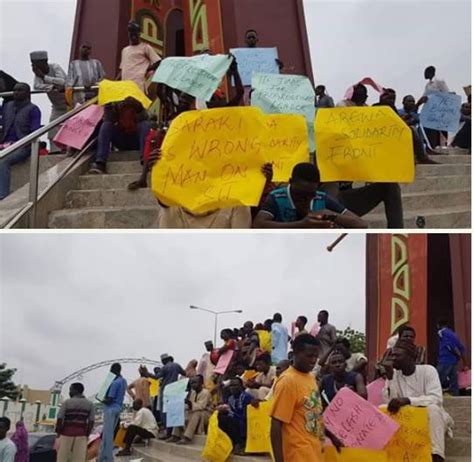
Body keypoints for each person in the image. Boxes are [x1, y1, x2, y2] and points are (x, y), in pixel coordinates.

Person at [332, 83, 404, 228]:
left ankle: (396, 229)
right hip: (327, 203)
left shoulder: (367, 143)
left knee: (390, 186)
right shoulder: (330, 138)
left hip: (346, 202)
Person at [270, 334, 342, 462]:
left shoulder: (310, 378)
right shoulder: (288, 382)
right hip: (297, 455)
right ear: (295, 354)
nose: (313, 360)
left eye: (316, 356)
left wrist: (332, 437)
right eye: (309, 355)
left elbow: (314, 415)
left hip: (314, 453)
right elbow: (276, 425)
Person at [383, 339, 454, 462]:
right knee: (382, 409)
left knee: (433, 409)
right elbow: (391, 403)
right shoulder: (394, 374)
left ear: (410, 356)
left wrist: (408, 400)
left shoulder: (428, 370)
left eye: (397, 355)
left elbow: (436, 398)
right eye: (392, 355)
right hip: (407, 422)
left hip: (430, 420)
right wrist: (390, 377)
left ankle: (437, 455)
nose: (393, 358)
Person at [254, 163, 367, 229]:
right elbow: (258, 224)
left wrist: (332, 215)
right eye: (299, 194)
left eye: (310, 195)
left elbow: (361, 225)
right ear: (290, 182)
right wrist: (301, 225)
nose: (305, 199)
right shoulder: (277, 197)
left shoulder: (321, 199)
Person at [0, 83, 42, 199]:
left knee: (3, 161)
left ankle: (2, 196)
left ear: (28, 93)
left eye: (20, 90)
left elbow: (35, 132)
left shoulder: (33, 109)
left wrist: (23, 144)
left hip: (23, 146)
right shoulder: (7, 106)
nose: (16, 92)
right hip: (4, 144)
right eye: (14, 90)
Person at [88, 97, 151, 174]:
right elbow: (108, 120)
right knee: (106, 126)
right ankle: (100, 163)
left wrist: (138, 108)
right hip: (121, 138)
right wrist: (113, 107)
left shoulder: (137, 101)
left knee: (145, 125)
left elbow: (146, 118)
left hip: (137, 139)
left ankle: (145, 161)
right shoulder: (112, 104)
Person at [30, 50, 67, 151]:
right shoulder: (37, 74)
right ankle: (55, 151)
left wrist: (44, 77)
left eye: (36, 64)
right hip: (57, 107)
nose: (34, 68)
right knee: (52, 129)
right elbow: (36, 86)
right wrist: (52, 86)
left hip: (71, 104)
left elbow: (62, 81)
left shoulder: (54, 67)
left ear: (44, 62)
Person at [218, 377, 259, 455]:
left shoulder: (247, 397)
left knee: (228, 420)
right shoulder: (230, 398)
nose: (233, 388)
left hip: (246, 422)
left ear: (241, 386)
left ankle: (240, 444)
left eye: (235, 385)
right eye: (231, 386)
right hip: (235, 421)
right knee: (221, 418)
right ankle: (234, 443)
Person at [56, 382, 95, 462]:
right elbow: (91, 421)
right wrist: (87, 433)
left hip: (66, 434)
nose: (69, 392)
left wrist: (58, 432)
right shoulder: (90, 404)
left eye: (71, 389)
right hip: (81, 435)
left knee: (62, 458)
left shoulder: (67, 402)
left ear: (75, 391)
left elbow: (60, 418)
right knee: (79, 459)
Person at [118, 21, 161, 93]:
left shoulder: (145, 47)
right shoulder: (125, 50)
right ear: (128, 35)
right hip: (125, 86)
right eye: (131, 34)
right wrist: (114, 81)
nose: (133, 36)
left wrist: (145, 69)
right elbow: (123, 68)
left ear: (139, 34)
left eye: (135, 34)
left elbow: (158, 62)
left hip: (138, 85)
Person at [98, 363, 127, 462]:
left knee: (107, 435)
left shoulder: (115, 383)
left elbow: (109, 399)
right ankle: (102, 457)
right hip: (118, 409)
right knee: (110, 434)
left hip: (110, 409)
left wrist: (100, 399)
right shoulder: (123, 381)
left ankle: (107, 458)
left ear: (112, 370)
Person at [171, 375, 212, 444]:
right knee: (180, 411)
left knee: (196, 413)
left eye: (195, 382)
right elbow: (190, 406)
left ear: (201, 383)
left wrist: (189, 403)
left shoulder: (205, 392)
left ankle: (187, 437)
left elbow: (201, 406)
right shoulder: (193, 392)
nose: (193, 384)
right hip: (195, 411)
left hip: (206, 414)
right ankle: (175, 435)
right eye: (192, 383)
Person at [151, 354, 186, 436]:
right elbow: (184, 373)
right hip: (175, 390)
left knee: (165, 412)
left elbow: (156, 377)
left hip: (166, 391)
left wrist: (146, 374)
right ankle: (174, 432)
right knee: (174, 412)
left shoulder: (165, 367)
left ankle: (168, 432)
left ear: (164, 360)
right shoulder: (177, 365)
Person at [436, 318, 468, 396]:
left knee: (437, 380)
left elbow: (449, 345)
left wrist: (457, 353)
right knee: (454, 382)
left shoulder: (441, 332)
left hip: (445, 360)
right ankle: (455, 397)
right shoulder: (454, 334)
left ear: (438, 325)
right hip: (454, 361)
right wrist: (465, 364)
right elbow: (461, 348)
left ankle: (435, 396)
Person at [423, 66, 449, 149]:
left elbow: (446, 93)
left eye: (426, 72)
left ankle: (446, 143)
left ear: (432, 72)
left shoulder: (439, 81)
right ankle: (436, 144)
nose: (425, 74)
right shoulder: (428, 85)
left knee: (442, 126)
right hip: (431, 108)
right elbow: (425, 96)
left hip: (440, 107)